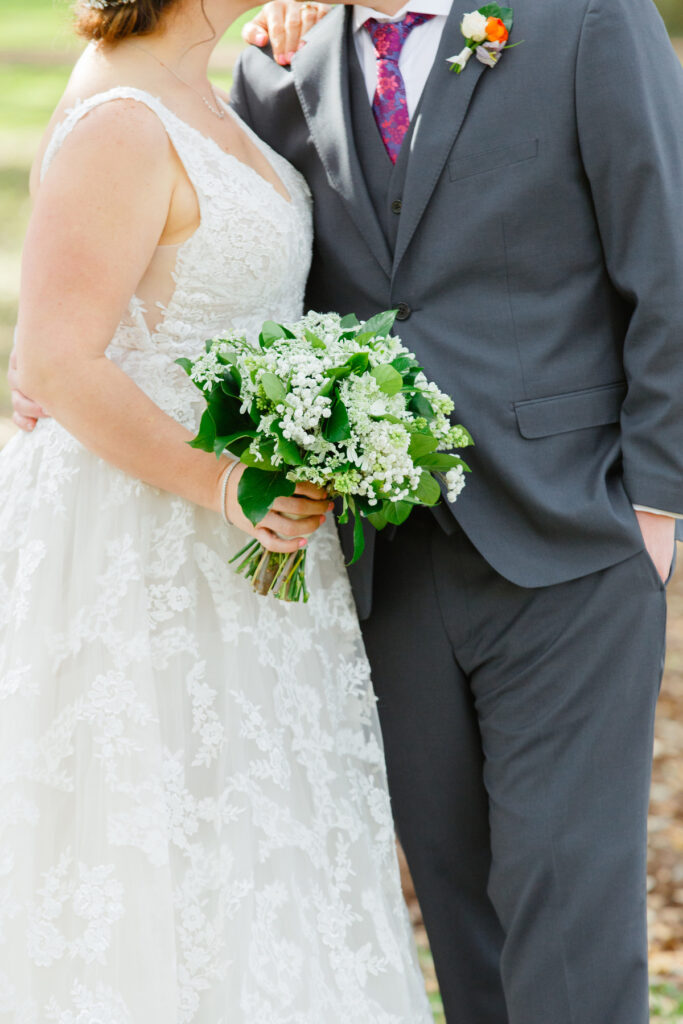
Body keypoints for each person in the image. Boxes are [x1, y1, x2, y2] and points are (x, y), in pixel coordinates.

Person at [98, 0, 683, 1019]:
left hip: (570, 540)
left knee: (565, 904)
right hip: (378, 563)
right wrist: (82, 356)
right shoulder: (277, 73)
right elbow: (239, 290)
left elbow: (668, 259)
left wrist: (657, 509)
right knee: (454, 907)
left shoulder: (583, 19)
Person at [0, 0, 434, 1019]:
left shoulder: (214, 90)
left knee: (255, 840)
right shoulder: (121, 116)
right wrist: (219, 482)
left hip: (247, 554)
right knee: (153, 840)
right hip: (145, 540)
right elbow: (54, 359)